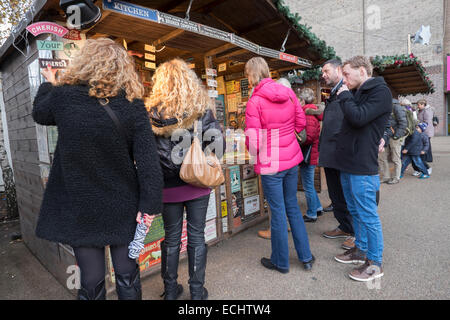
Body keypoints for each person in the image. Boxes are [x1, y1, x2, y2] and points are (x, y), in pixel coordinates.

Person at [32, 38, 163, 300]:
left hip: (81, 208)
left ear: (85, 63)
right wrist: (148, 207)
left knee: (91, 282)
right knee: (127, 274)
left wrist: (50, 81)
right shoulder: (132, 103)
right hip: (124, 204)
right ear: (122, 68)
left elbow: (40, 113)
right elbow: (149, 161)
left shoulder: (63, 97)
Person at [148, 58, 224, 300]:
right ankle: (196, 291)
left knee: (170, 238)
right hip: (197, 183)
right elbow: (217, 146)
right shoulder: (201, 109)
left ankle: (170, 291)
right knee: (196, 236)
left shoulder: (151, 114)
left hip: (167, 188)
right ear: (189, 82)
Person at [245, 57, 315, 274]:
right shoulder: (289, 93)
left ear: (251, 75)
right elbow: (301, 123)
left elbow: (254, 141)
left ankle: (280, 261)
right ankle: (306, 257)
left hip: (270, 163)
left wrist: (256, 155)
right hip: (291, 158)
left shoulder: (255, 101)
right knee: (292, 206)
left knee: (277, 212)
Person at [334, 56, 392, 282]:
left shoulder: (380, 91)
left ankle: (375, 263)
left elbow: (358, 118)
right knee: (355, 210)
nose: (344, 79)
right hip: (349, 162)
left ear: (362, 71)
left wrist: (345, 96)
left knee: (368, 215)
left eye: (347, 74)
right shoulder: (359, 91)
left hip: (362, 164)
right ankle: (361, 249)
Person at [319, 59, 355, 251]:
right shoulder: (333, 93)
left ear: (339, 69)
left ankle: (356, 233)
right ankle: (345, 227)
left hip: (342, 154)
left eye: (326, 70)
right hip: (330, 154)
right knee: (336, 194)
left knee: (348, 195)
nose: (323, 74)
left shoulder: (349, 90)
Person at [297, 88, 324, 223]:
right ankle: (317, 207)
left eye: (298, 99)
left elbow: (308, 138)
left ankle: (311, 213)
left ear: (302, 100)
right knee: (310, 184)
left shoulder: (307, 114)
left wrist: (297, 139)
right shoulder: (311, 112)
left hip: (308, 154)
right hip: (311, 153)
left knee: (307, 185)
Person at [379, 98, 408, 185]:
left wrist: (396, 136)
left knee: (395, 158)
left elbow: (403, 123)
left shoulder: (396, 106)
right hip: (385, 135)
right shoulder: (382, 105)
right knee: (381, 157)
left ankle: (396, 177)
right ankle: (386, 177)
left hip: (395, 136)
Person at [417, 99, 434, 175]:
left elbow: (426, 123)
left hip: (426, 131)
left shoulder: (427, 111)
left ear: (423, 105)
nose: (418, 106)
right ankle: (424, 162)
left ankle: (426, 164)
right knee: (425, 146)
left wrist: (419, 126)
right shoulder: (421, 111)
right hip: (422, 131)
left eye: (419, 105)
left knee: (425, 146)